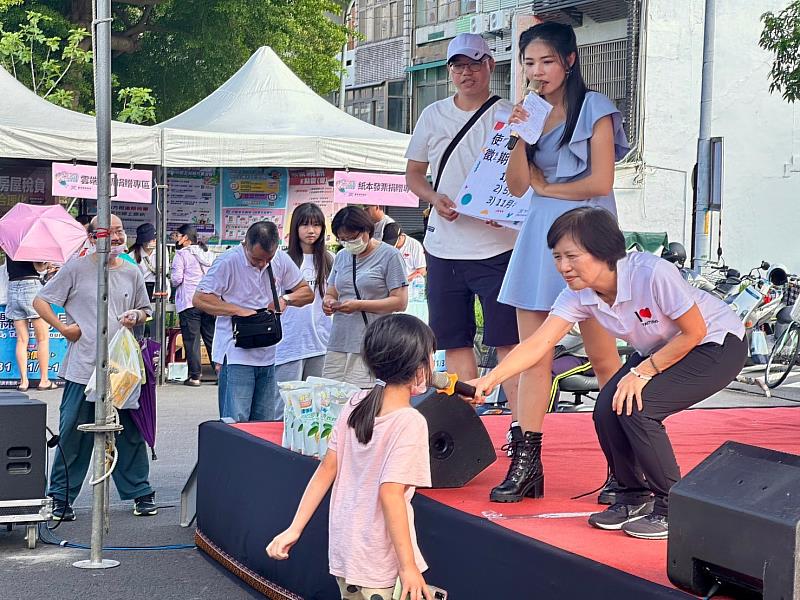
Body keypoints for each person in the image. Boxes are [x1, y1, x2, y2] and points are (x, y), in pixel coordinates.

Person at [472, 207, 747, 539]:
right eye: (557, 257)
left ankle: (672, 507)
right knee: (605, 408)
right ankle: (633, 495)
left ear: (603, 252)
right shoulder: (578, 294)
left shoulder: (651, 273)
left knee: (638, 407)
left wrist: (643, 372)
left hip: (717, 343)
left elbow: (694, 332)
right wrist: (491, 379)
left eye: (572, 256)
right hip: (662, 350)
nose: (562, 267)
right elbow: (538, 343)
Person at [490, 22, 630, 502]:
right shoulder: (528, 112)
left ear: (569, 61)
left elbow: (601, 181)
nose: (537, 71)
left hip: (589, 231)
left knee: (603, 357)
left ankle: (624, 466)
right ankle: (527, 465)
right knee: (534, 357)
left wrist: (549, 189)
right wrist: (520, 138)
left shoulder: (597, 109)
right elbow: (515, 187)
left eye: (546, 61)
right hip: (538, 235)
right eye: (528, 63)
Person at [267, 314, 435, 600]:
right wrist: (408, 567)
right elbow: (391, 494)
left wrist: (294, 528)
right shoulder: (410, 421)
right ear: (420, 367)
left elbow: (325, 470)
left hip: (346, 550)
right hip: (379, 559)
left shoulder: (356, 402)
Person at [405, 32, 520, 418]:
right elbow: (415, 175)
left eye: (474, 63)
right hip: (443, 247)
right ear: (450, 70)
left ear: (490, 64)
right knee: (453, 342)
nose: (465, 72)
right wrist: (434, 198)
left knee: (509, 342)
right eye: (458, 65)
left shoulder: (510, 114)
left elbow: (528, 178)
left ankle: (522, 429)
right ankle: (468, 424)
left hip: (499, 247)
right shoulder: (432, 114)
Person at [33, 214, 157, 521]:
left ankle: (140, 492)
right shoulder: (76, 269)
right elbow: (41, 301)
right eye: (109, 232)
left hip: (122, 366)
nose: (116, 237)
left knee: (129, 431)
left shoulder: (131, 271)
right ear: (92, 238)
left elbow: (146, 309)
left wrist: (136, 317)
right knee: (74, 431)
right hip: (83, 365)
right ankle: (61, 497)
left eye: (119, 231)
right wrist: (65, 330)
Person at [193, 221, 314, 422]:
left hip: (268, 353)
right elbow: (200, 299)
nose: (263, 264)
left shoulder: (280, 260)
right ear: (245, 245)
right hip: (235, 354)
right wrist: (238, 310)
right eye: (257, 259)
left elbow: (306, 293)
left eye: (268, 258)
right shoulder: (228, 262)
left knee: (263, 423)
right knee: (236, 422)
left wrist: (286, 299)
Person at [322, 207, 408, 388]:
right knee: (330, 398)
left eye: (352, 237)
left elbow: (400, 302)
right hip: (339, 340)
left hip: (371, 341)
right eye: (342, 239)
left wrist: (359, 305)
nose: (348, 243)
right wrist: (328, 302)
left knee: (361, 397)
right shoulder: (341, 256)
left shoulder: (390, 255)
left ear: (366, 230)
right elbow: (331, 292)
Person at [275, 203, 333, 383]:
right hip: (288, 343)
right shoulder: (281, 259)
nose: (311, 230)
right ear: (295, 227)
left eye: (316, 225)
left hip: (320, 343)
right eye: (305, 225)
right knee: (284, 405)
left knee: (315, 404)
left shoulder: (330, 259)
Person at [170, 224, 216, 387]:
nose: (176, 238)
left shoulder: (181, 255)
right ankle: (219, 372)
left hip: (189, 300)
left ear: (186, 238)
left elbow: (177, 279)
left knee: (192, 340)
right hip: (208, 300)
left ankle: (195, 376)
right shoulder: (208, 254)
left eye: (178, 235)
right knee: (211, 339)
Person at [6, 257, 55, 391]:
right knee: (43, 338)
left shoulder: (12, 244)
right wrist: (48, 266)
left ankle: (23, 381)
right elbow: (39, 267)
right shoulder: (32, 242)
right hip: (32, 286)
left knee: (21, 340)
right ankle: (44, 380)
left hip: (13, 287)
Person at [128, 223, 158, 301]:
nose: (154, 241)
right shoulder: (132, 256)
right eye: (151, 240)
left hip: (157, 291)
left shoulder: (162, 251)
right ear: (143, 242)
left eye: (155, 238)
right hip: (138, 291)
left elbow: (165, 271)